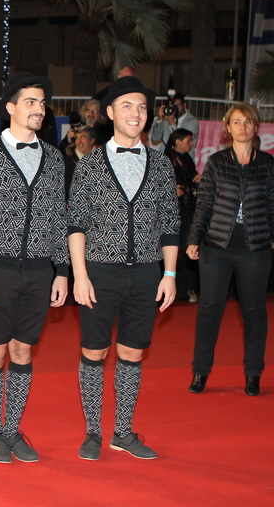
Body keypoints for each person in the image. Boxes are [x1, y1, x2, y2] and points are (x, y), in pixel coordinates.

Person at [68, 76, 179, 461]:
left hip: (148, 273)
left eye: (142, 107)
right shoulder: (90, 165)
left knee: (132, 353)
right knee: (94, 353)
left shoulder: (163, 166)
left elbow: (170, 225)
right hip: (100, 272)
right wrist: (80, 276)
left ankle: (123, 431)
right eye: (127, 106)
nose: (136, 114)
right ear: (111, 112)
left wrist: (170, 274)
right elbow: (76, 225)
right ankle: (94, 433)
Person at [0, 72, 69, 464]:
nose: (39, 109)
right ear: (11, 107)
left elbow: (60, 216)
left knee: (23, 351)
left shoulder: (55, 158)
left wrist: (62, 270)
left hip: (40, 269)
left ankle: (13, 430)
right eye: (31, 102)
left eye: (42, 104)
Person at [186, 102, 274, 397]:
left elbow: (273, 207)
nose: (242, 127)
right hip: (216, 248)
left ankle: (253, 373)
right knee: (209, 310)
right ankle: (200, 371)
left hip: (255, 248)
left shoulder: (268, 164)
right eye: (236, 122)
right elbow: (204, 204)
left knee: (254, 313)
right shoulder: (217, 162)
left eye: (247, 122)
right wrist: (193, 239)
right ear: (228, 128)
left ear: (255, 126)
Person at [164, 128, 200, 302]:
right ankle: (170, 289)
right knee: (170, 250)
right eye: (188, 140)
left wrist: (199, 179)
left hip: (188, 210)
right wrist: (170, 189)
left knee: (189, 250)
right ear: (177, 141)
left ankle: (190, 289)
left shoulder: (187, 159)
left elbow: (192, 177)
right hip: (171, 212)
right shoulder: (166, 159)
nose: (191, 143)